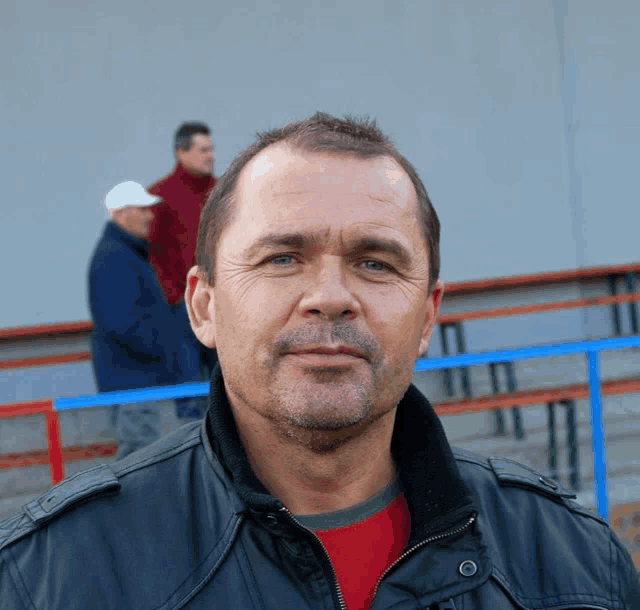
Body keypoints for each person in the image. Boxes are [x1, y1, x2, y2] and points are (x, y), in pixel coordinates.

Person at [1, 114, 638, 609]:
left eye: (375, 263)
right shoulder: (49, 578)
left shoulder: (576, 563)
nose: (331, 296)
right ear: (204, 308)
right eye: (281, 259)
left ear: (426, 317)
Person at [86, 181, 202, 459]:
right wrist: (166, 350)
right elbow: (121, 324)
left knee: (145, 458)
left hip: (138, 382)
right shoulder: (115, 258)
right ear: (120, 213)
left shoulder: (124, 253)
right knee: (139, 459)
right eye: (142, 209)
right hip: (135, 384)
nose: (151, 216)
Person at [148, 122, 218, 389]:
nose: (210, 156)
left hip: (221, 305)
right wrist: (173, 298)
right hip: (180, 311)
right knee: (187, 388)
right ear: (181, 152)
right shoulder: (160, 196)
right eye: (203, 150)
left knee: (227, 385)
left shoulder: (223, 193)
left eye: (211, 149)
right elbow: (151, 254)